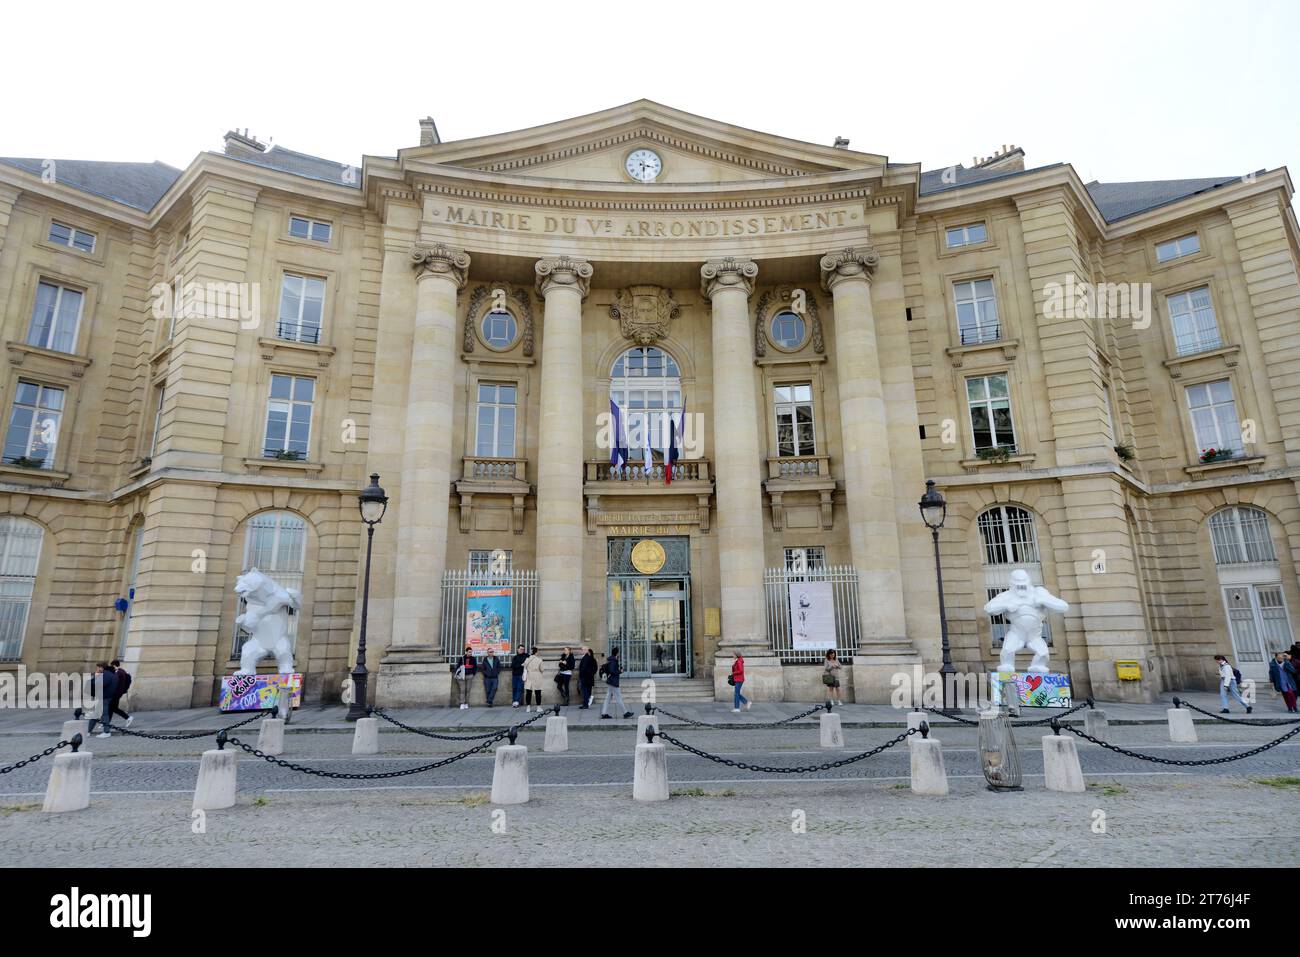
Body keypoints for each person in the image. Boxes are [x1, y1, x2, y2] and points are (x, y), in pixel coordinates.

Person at [86, 662, 119, 738]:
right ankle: (88, 731)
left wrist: (95, 677)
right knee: (95, 714)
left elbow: (99, 684)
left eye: (97, 668)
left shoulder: (106, 674)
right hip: (106, 696)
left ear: (101, 667)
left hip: (104, 697)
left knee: (104, 715)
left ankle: (106, 732)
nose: (97, 669)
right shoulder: (112, 674)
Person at [600, 647, 633, 719]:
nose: (619, 653)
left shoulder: (611, 660)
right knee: (618, 697)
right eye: (619, 652)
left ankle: (604, 713)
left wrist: (618, 670)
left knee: (608, 698)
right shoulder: (613, 660)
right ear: (617, 653)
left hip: (610, 681)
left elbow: (612, 670)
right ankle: (625, 713)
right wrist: (620, 671)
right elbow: (612, 671)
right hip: (613, 682)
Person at [108, 659, 133, 727]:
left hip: (116, 693)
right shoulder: (121, 671)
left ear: (114, 665)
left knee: (113, 708)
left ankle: (128, 718)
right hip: (117, 693)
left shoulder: (119, 672)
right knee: (111, 708)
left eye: (112, 666)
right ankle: (107, 722)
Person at [523, 646, 545, 712]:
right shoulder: (539, 660)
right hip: (537, 676)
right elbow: (542, 669)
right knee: (538, 692)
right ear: (536, 652)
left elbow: (524, 666)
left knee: (528, 692)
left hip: (529, 676)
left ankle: (528, 707)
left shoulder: (527, 659)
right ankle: (538, 707)